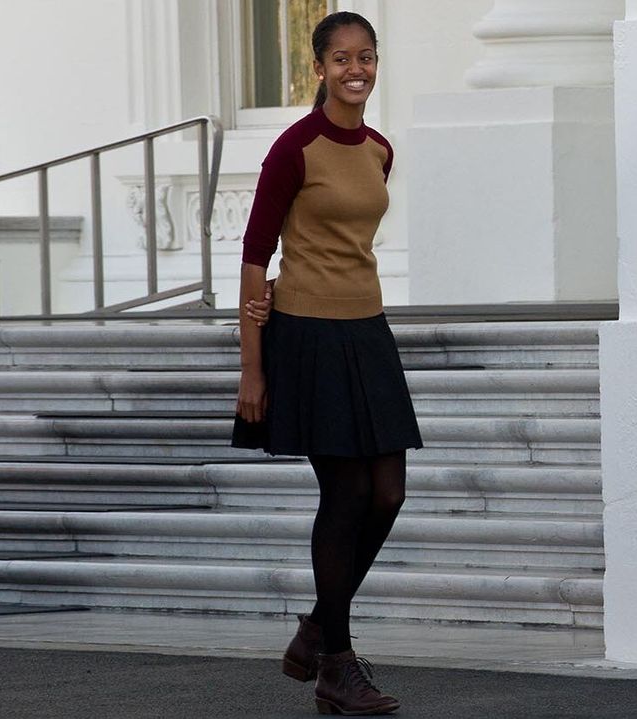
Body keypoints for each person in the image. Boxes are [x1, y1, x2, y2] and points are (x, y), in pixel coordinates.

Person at [231, 11, 421, 716]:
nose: (356, 69)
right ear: (318, 68)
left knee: (390, 491)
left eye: (366, 57)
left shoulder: (378, 150)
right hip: (307, 333)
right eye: (341, 57)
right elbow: (254, 256)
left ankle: (316, 626)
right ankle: (336, 665)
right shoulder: (293, 148)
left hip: (367, 329)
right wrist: (252, 370)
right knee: (344, 496)